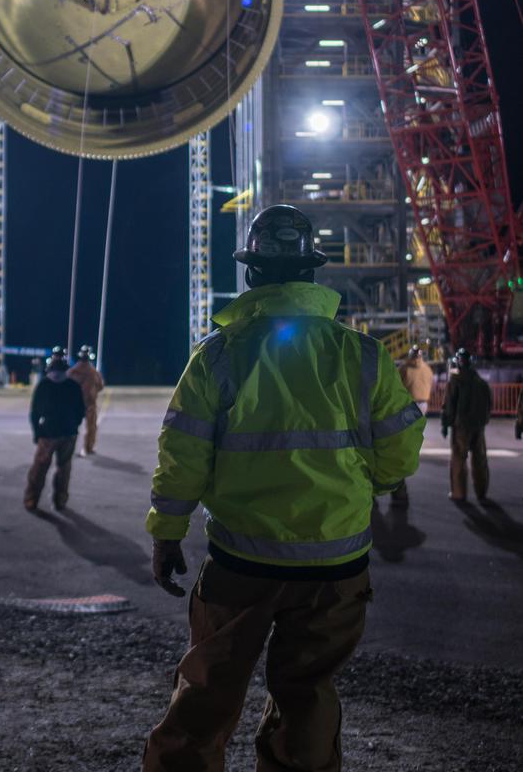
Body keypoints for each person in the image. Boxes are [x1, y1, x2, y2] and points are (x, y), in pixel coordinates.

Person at [142, 205, 425, 772]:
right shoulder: (363, 356)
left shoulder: (218, 355)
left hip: (241, 561)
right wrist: (368, 485)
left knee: (207, 692)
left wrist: (167, 534)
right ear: (313, 272)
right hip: (336, 565)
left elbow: (183, 458)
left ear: (251, 273)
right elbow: (399, 452)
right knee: (309, 695)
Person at [24, 349, 86, 512]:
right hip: (68, 433)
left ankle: (32, 500)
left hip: (48, 434)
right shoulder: (73, 386)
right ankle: (60, 502)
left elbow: (34, 413)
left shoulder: (43, 385)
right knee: (64, 470)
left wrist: (37, 433)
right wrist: (74, 426)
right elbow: (81, 411)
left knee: (38, 470)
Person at [441, 347, 492, 503]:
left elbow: (449, 405)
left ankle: (458, 493)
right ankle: (481, 492)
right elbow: (489, 404)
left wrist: (445, 424)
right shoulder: (481, 382)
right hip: (479, 426)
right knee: (480, 460)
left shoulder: (455, 382)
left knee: (458, 459)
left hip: (462, 426)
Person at [390, 346, 434, 506]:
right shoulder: (427, 368)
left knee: (405, 432)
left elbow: (396, 385)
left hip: (409, 403)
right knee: (418, 429)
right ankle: (417, 445)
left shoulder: (404, 368)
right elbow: (431, 382)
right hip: (423, 403)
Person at [68, 345, 105, 455]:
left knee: (71, 427)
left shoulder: (72, 371)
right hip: (89, 402)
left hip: (75, 404)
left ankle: (68, 448)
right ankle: (88, 447)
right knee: (91, 427)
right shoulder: (93, 372)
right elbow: (100, 386)